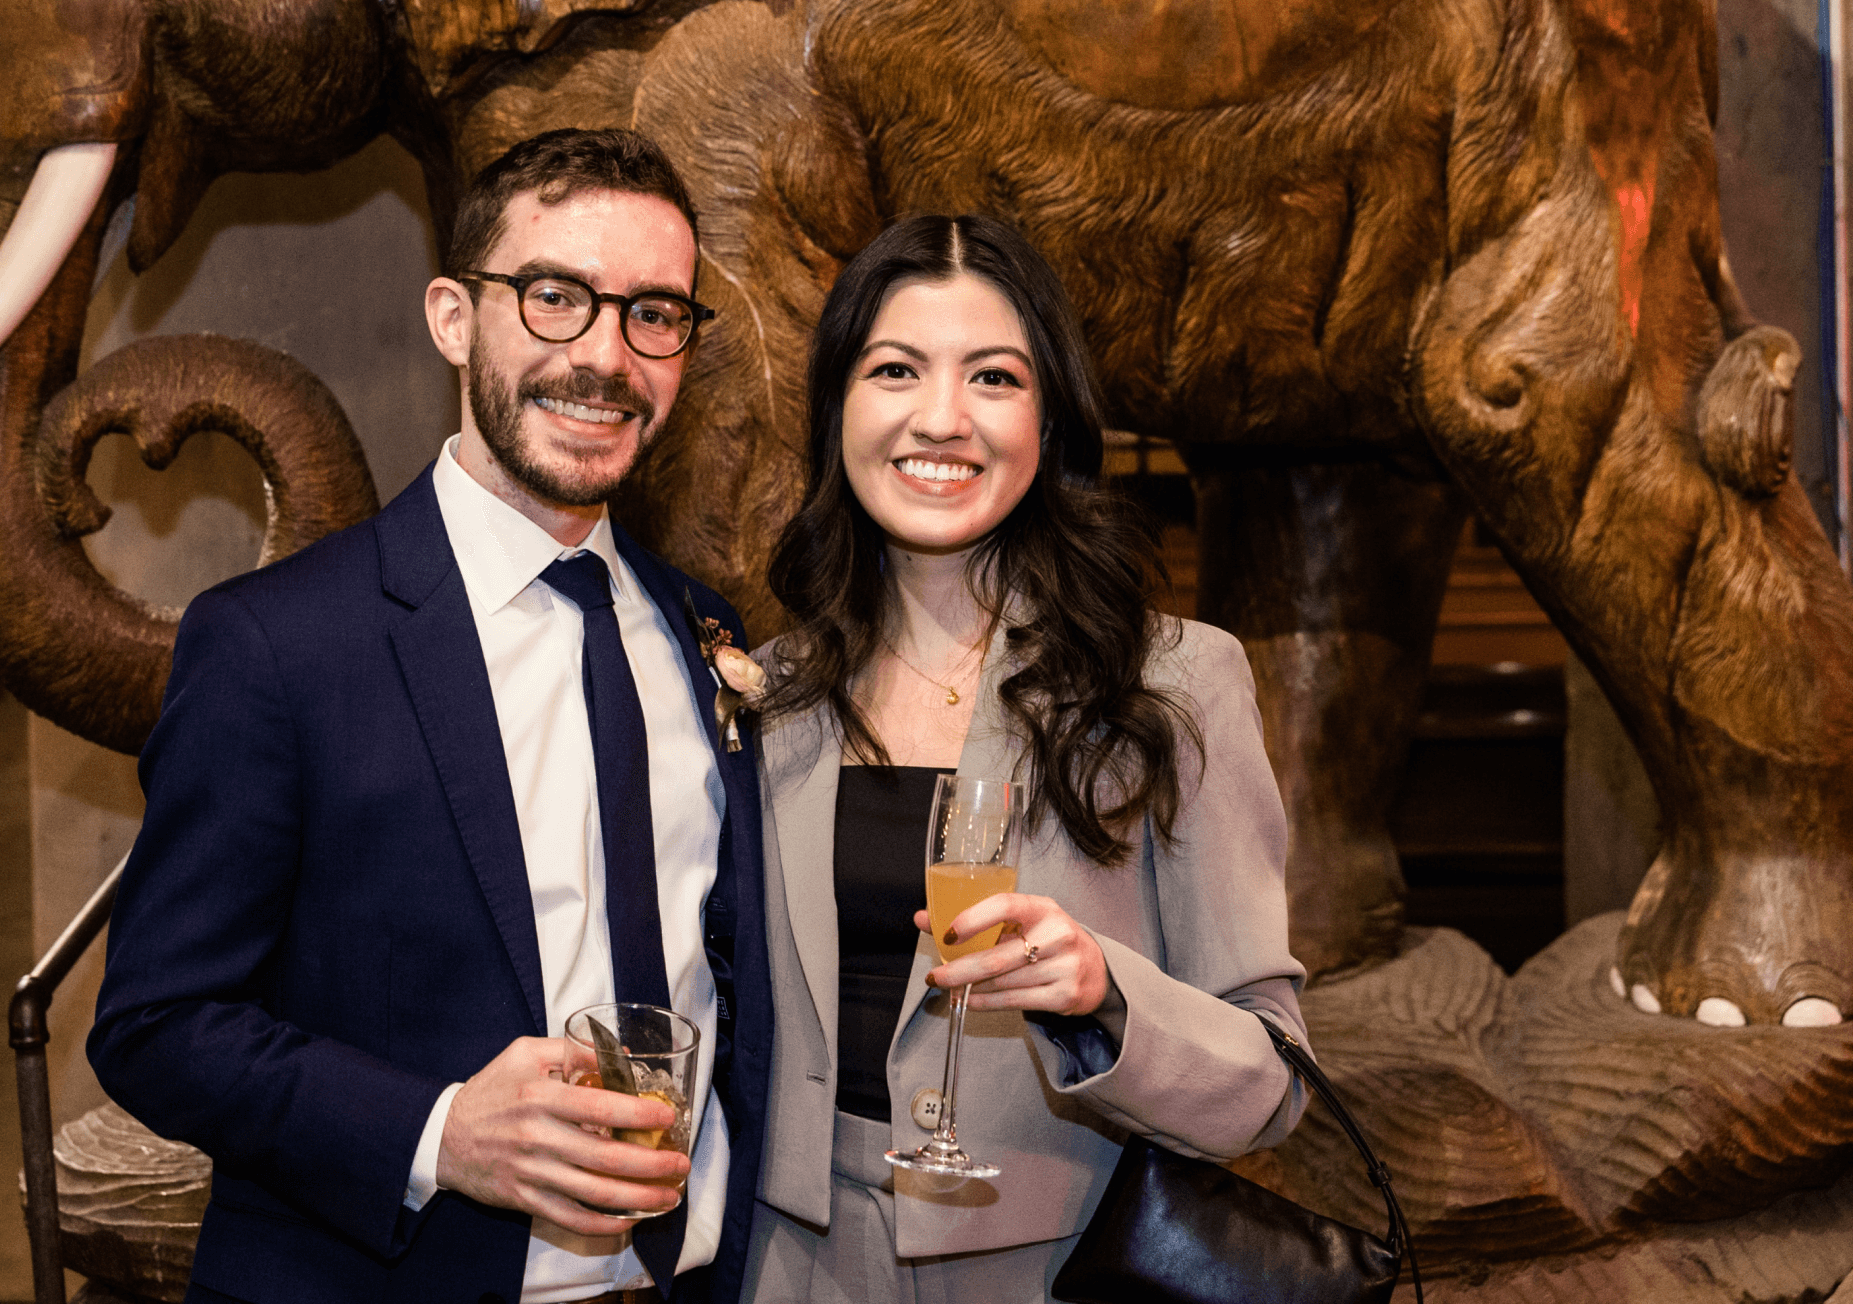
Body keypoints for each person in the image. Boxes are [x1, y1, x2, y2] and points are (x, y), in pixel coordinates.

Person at [88, 128, 774, 1304]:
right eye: (554, 296)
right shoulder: (276, 644)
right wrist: (437, 1131)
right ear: (454, 318)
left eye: (654, 314)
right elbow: (155, 1023)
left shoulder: (704, 630)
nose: (606, 356)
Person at [740, 213, 1307, 1301]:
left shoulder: (1174, 683)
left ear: (1049, 421)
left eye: (993, 377)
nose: (941, 417)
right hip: (788, 1263)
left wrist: (1105, 994)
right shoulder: (770, 692)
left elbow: (1272, 1082)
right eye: (895, 369)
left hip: (1050, 1267)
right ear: (837, 409)